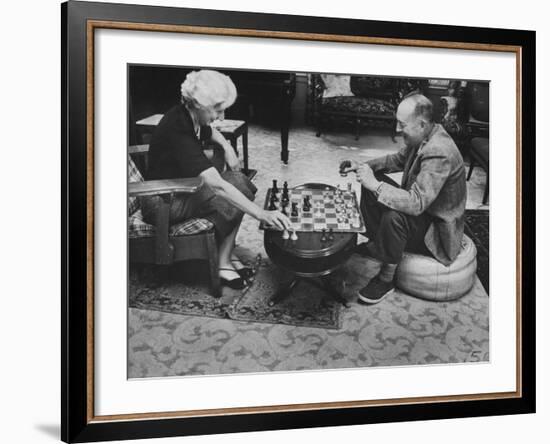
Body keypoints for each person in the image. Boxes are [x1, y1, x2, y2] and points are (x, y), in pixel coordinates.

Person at [141, 70, 291, 290]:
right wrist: (262, 214)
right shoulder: (178, 127)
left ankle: (225, 255)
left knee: (240, 183)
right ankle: (223, 261)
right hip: (161, 202)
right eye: (217, 111)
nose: (221, 117)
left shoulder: (188, 114)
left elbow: (209, 132)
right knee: (237, 186)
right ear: (199, 104)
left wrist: (228, 147)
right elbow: (217, 185)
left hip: (179, 191)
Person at [340, 94, 467, 304]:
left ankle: (386, 279)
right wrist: (363, 166)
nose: (398, 130)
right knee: (375, 181)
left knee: (394, 214)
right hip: (423, 213)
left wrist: (374, 184)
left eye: (402, 125)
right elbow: (395, 160)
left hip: (435, 229)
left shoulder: (439, 151)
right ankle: (377, 244)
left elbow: (416, 204)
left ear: (421, 124)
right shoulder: (424, 135)